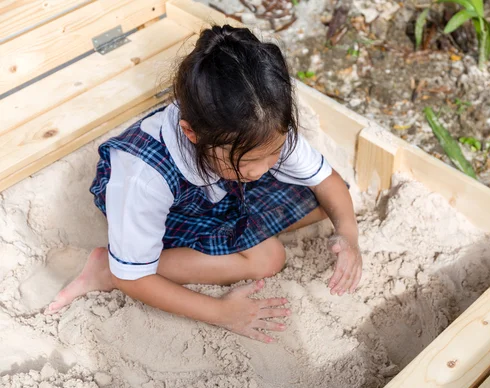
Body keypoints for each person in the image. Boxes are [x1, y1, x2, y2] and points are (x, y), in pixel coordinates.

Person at [46, 25, 362, 343]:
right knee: (269, 259)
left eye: (275, 153)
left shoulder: (264, 123)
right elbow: (136, 281)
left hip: (221, 184)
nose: (264, 169)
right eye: (249, 161)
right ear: (192, 134)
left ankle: (237, 226)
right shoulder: (144, 178)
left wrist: (349, 236)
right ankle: (107, 270)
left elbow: (327, 180)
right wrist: (222, 313)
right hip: (175, 207)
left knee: (325, 202)